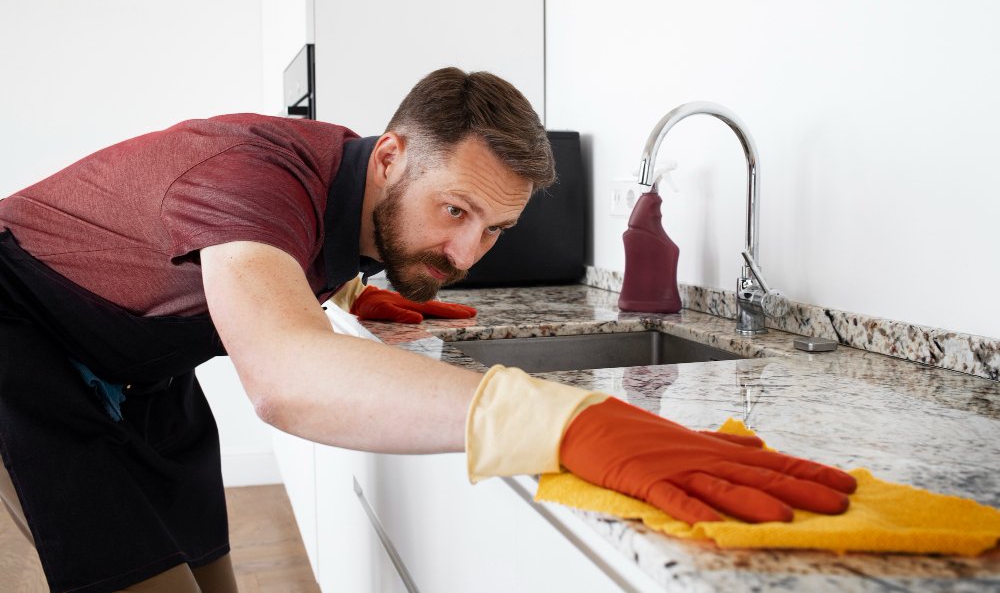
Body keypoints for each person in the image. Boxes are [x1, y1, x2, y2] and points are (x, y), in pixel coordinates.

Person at [0, 67, 857, 592]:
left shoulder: (350, 187)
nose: (465, 251)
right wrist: (565, 420)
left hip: (142, 363)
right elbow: (282, 375)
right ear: (389, 155)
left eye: (493, 229)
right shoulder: (253, 174)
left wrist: (345, 295)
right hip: (23, 337)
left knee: (214, 578)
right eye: (454, 210)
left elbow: (277, 262)